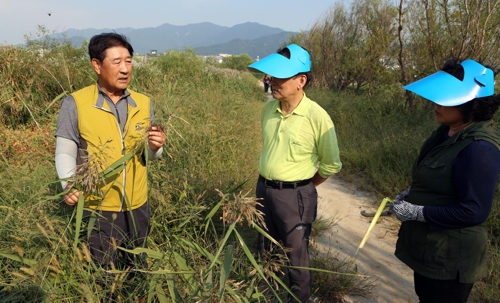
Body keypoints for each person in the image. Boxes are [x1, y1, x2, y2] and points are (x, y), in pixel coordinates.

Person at [54, 33, 166, 275]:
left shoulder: (143, 103)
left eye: (128, 61)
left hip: (137, 205)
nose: (125, 69)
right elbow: (65, 151)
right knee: (103, 272)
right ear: (97, 65)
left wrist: (156, 147)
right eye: (117, 62)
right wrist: (68, 184)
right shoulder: (76, 103)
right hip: (98, 207)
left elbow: (150, 156)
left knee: (138, 268)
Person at [391, 58, 500, 303]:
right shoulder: (446, 131)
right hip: (430, 250)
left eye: (446, 98)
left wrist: (417, 212)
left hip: (451, 257)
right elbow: (442, 178)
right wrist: (412, 193)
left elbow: (473, 211)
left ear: (471, 104)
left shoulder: (479, 148)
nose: (435, 104)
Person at [247, 44, 342, 302]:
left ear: (301, 80)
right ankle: (265, 296)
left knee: (296, 258)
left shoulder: (317, 117)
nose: (273, 82)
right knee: (265, 250)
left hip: (296, 196)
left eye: (280, 77)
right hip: (263, 190)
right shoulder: (268, 110)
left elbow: (332, 164)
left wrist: (304, 186)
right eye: (271, 76)